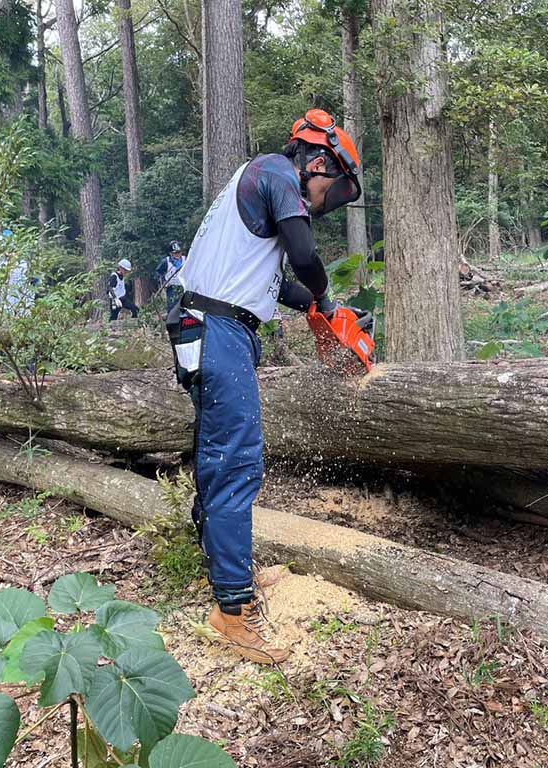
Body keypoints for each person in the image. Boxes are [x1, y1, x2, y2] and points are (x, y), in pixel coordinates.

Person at [172, 108, 362, 663]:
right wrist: (327, 299)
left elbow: (279, 284)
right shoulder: (276, 172)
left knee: (220, 457)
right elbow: (305, 261)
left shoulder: (257, 189)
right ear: (320, 162)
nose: (328, 204)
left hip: (213, 322)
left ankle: (229, 574)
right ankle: (232, 610)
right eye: (336, 190)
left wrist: (325, 312)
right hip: (217, 327)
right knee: (236, 462)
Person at [154, 240, 186, 312]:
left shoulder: (185, 259)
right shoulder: (166, 261)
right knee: (172, 306)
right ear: (171, 253)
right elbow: (158, 272)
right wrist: (162, 280)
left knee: (184, 305)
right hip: (171, 287)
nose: (177, 254)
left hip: (183, 286)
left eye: (179, 252)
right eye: (175, 253)